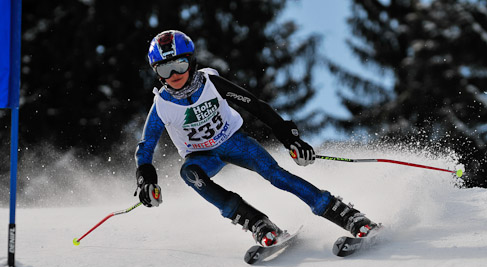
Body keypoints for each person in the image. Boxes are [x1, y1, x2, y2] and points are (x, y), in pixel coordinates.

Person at [135, 30, 378, 247]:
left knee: (277, 176)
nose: (175, 74)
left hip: (234, 142)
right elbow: (145, 147)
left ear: (192, 61)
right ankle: (257, 224)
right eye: (165, 69)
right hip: (202, 157)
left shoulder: (211, 83)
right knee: (189, 173)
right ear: (157, 73)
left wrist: (290, 138)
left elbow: (256, 106)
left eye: (180, 64)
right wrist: (146, 179)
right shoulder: (161, 106)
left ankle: (346, 215)